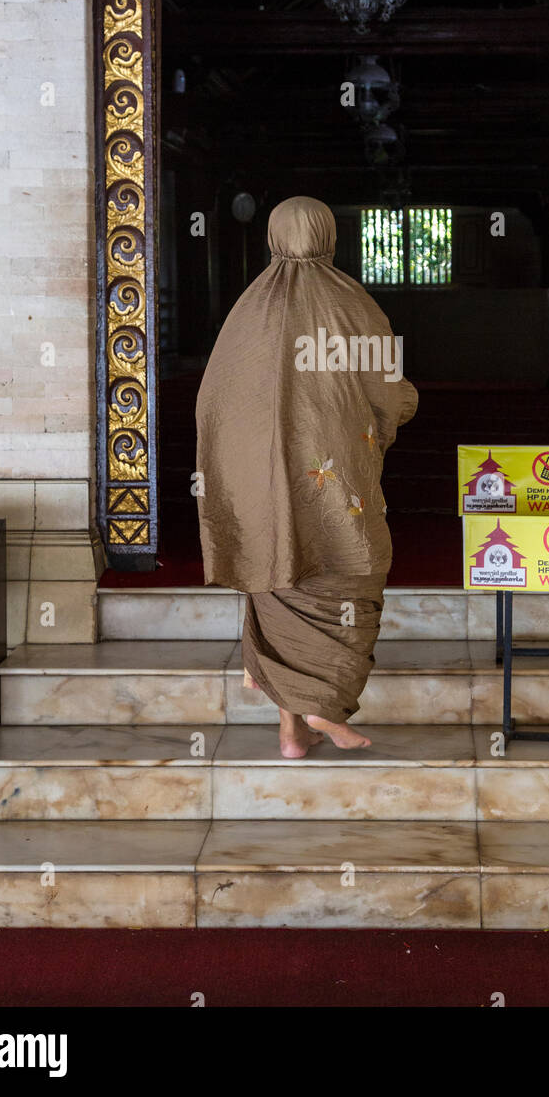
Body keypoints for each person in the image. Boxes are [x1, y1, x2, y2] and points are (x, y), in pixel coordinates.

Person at [195, 195, 418, 758]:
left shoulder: (248, 311)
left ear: (273, 237)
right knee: (349, 573)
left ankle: (292, 730)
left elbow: (213, 403)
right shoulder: (353, 306)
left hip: (261, 491)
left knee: (279, 582)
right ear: (328, 235)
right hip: (335, 483)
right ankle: (322, 704)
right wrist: (397, 409)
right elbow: (389, 391)